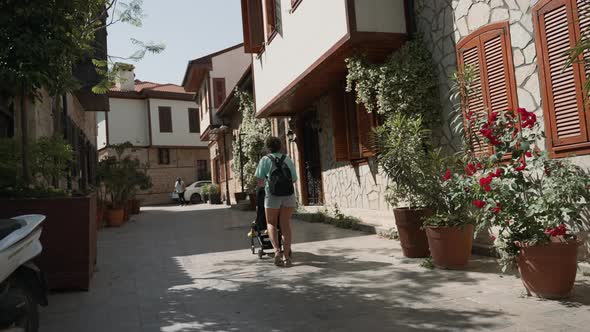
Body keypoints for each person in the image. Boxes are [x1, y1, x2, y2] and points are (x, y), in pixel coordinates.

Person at [255, 136, 298, 267]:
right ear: (280, 146)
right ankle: (286, 256)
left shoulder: (265, 160)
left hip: (272, 195)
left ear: (268, 147)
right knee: (285, 224)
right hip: (289, 195)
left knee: (271, 223)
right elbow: (294, 179)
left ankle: (277, 251)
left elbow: (260, 181)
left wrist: (266, 185)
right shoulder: (288, 159)